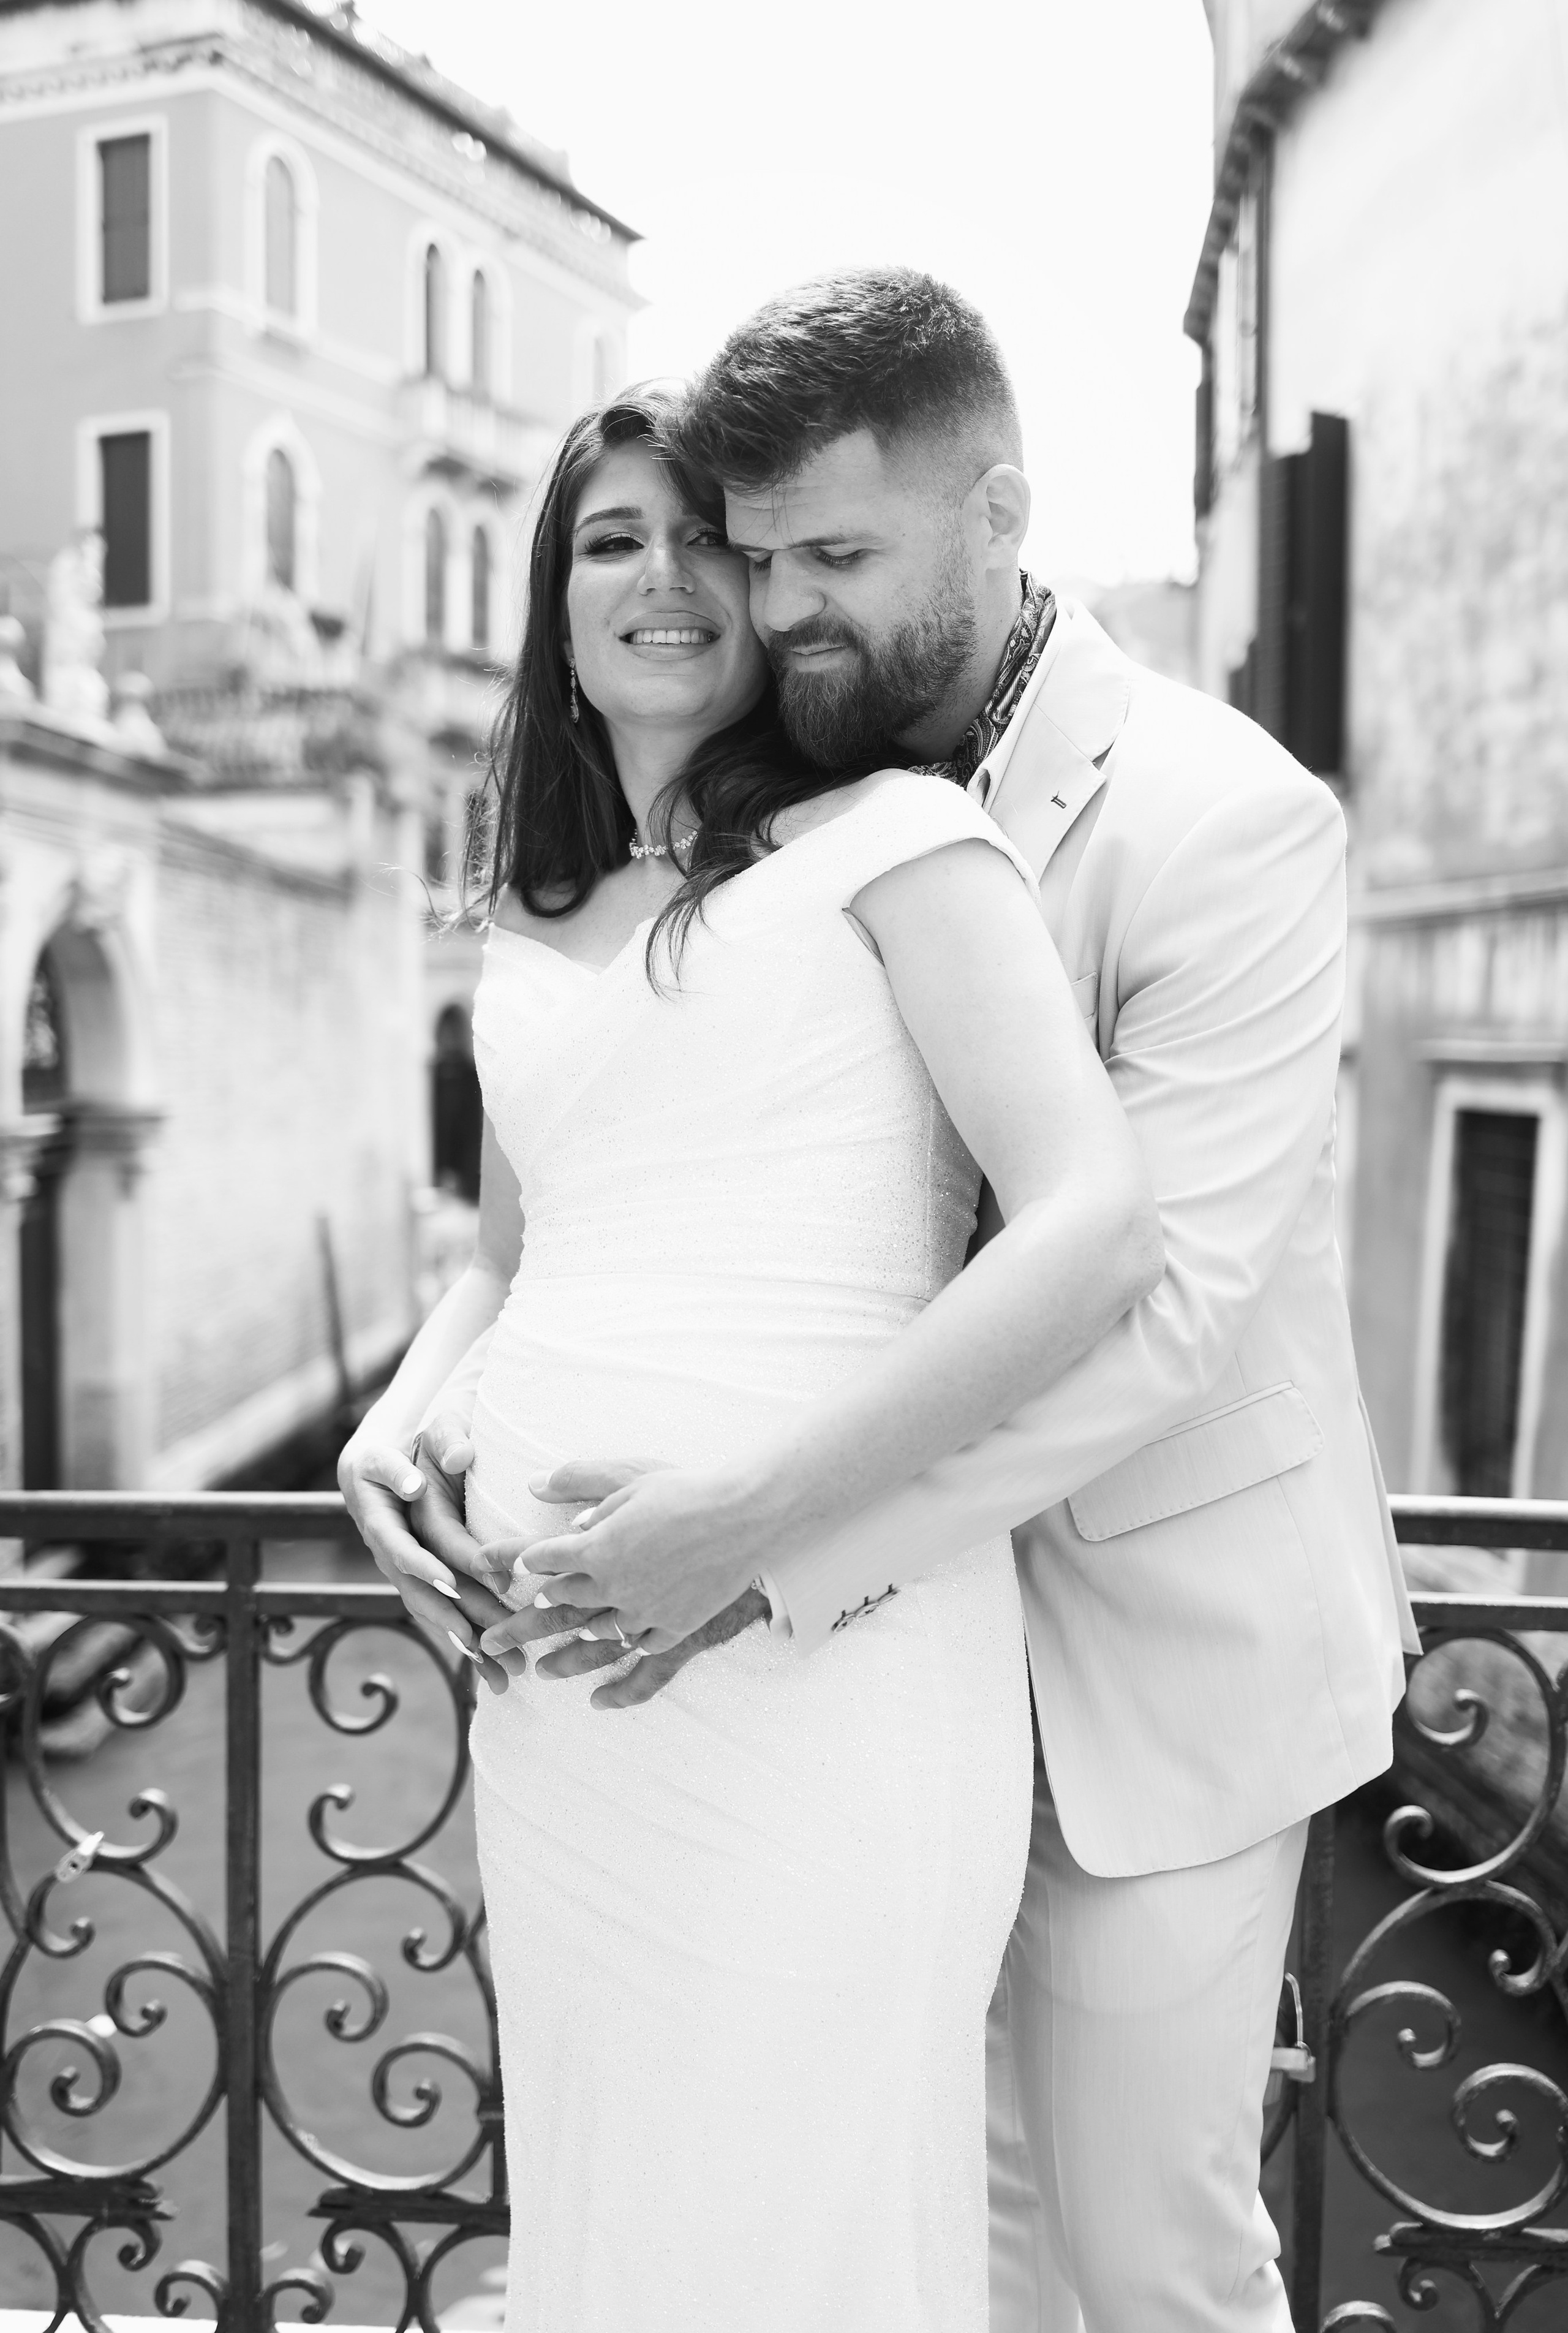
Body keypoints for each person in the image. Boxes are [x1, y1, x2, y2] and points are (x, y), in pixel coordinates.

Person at [347, 269, 1419, 2331]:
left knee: (1142, 2253)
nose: (781, 603)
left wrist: (769, 1546)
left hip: (1141, 1651)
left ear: (997, 518)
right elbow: (553, 1224)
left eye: (830, 556)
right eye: (768, 561)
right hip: (756, 1663)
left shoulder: (1223, 821)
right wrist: (425, 1417)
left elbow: (1159, 1304)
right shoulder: (778, 801)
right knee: (942, 2247)